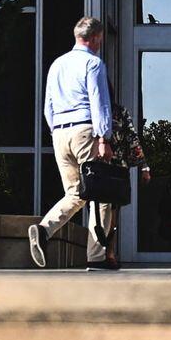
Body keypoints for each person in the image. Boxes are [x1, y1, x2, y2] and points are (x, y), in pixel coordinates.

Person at [29, 16, 119, 270]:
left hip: (60, 133)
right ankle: (97, 256)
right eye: (100, 39)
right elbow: (99, 102)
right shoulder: (93, 63)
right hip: (85, 130)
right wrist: (104, 138)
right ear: (95, 38)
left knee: (75, 193)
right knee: (101, 194)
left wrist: (55, 131)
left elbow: (48, 105)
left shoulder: (57, 64)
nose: (100, 43)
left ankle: (44, 230)